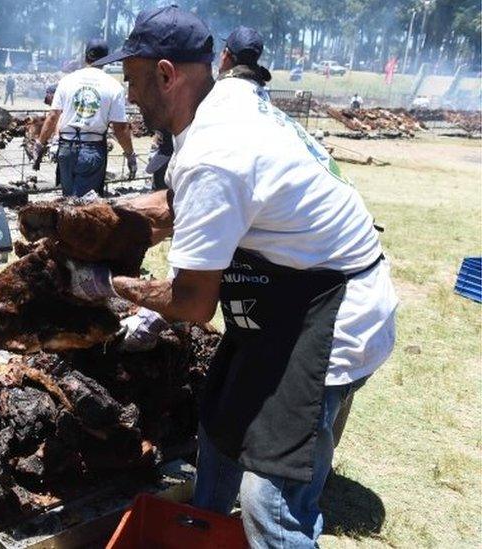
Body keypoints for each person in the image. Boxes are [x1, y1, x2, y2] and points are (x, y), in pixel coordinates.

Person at [76, 7, 398, 546]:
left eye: (131, 81)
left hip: (332, 315)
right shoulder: (228, 98)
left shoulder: (215, 151)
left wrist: (108, 287)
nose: (128, 96)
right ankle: (205, 534)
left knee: (270, 500)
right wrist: (107, 223)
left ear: (165, 74)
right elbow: (186, 204)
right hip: (283, 300)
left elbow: (193, 303)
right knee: (220, 431)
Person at [32, 38, 136, 197]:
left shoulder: (67, 81)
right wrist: (130, 154)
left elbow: (53, 116)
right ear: (107, 59)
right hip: (92, 150)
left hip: (66, 150)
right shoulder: (114, 86)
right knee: (84, 207)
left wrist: (40, 144)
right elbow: (120, 128)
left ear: (85, 56)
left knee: (69, 200)